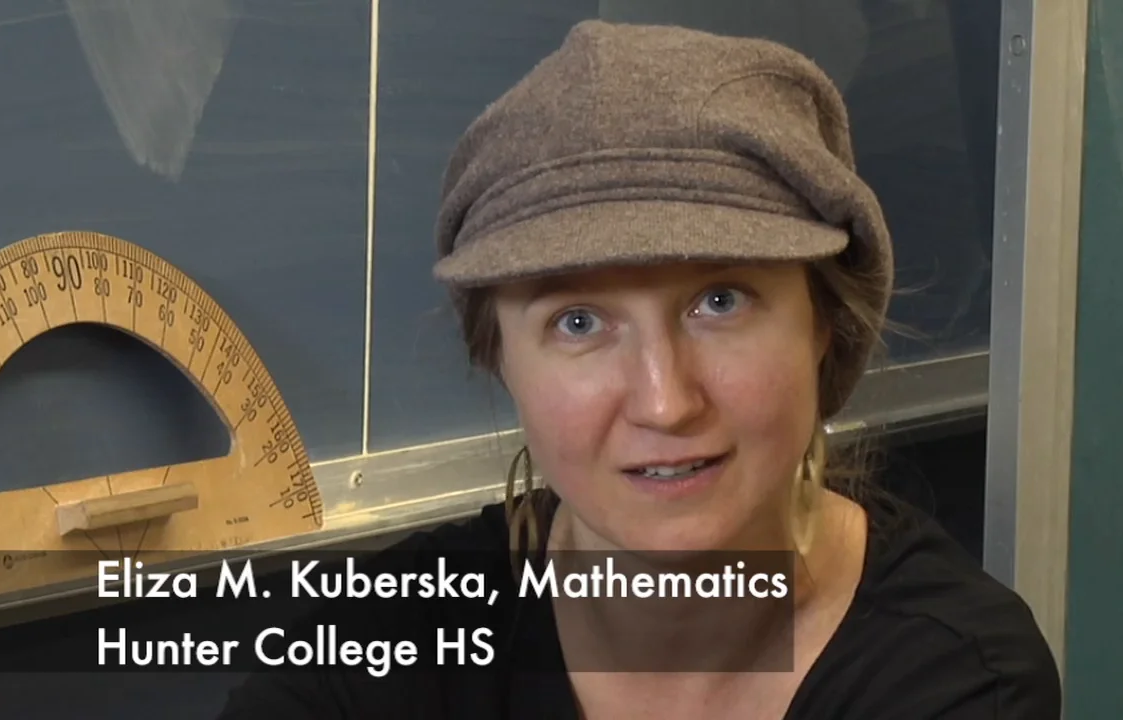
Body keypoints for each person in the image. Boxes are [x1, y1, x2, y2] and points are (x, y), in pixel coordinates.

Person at [217, 19, 1060, 719]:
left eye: (720, 301)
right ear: (499, 358)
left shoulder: (951, 677)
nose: (665, 400)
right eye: (578, 322)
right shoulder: (382, 642)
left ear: (826, 328)